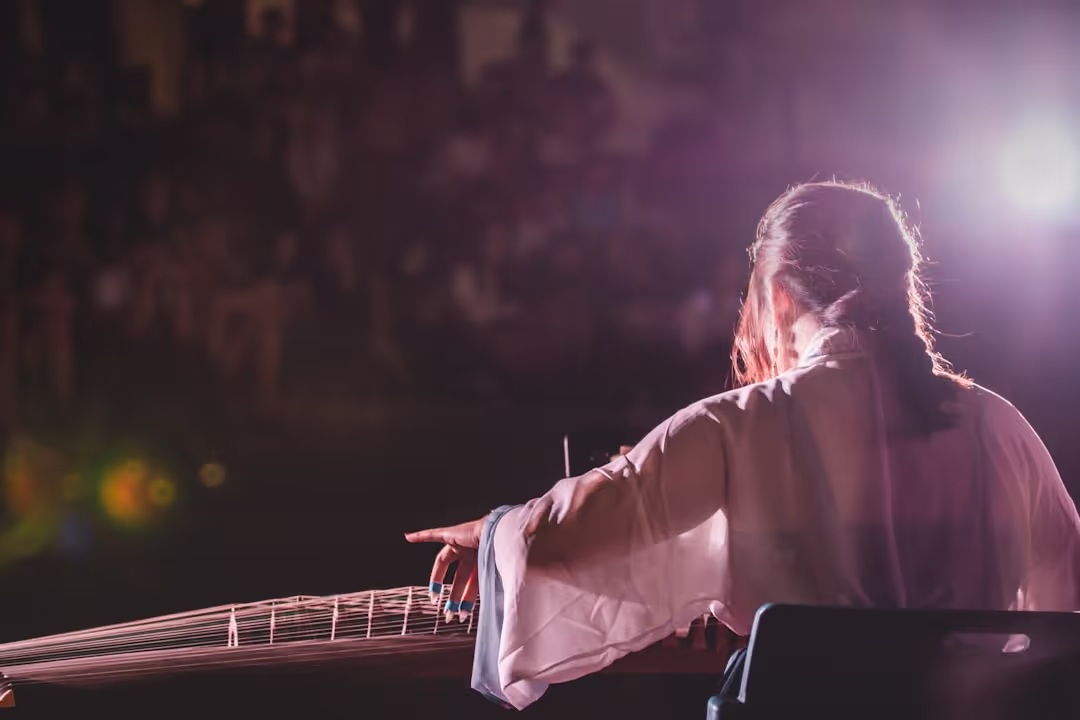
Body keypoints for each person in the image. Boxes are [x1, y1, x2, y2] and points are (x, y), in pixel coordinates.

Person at [405, 181, 1080, 709]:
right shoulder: (1000, 429)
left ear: (780, 295)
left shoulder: (742, 424)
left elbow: (572, 531)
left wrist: (493, 534)